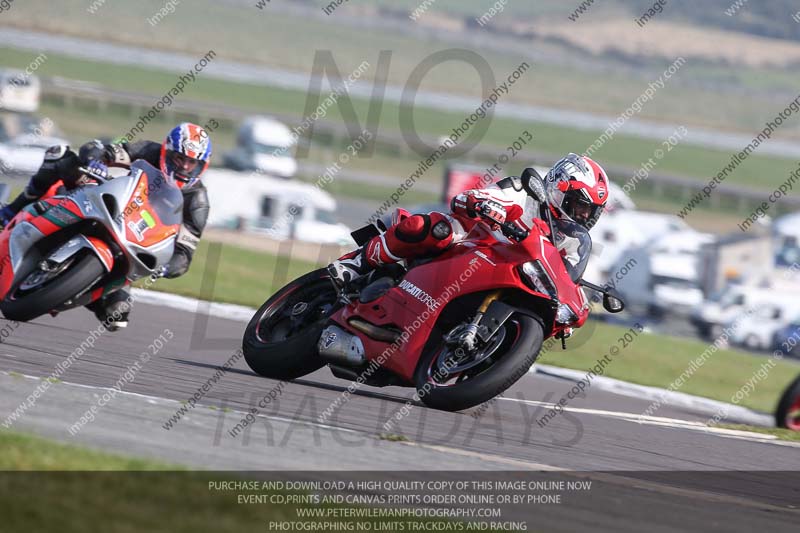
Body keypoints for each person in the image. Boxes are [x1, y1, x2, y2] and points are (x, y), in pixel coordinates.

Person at [0, 122, 212, 330]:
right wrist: (99, 161)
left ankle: (81, 291)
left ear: (203, 166)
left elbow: (184, 254)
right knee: (60, 157)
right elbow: (105, 151)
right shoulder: (149, 151)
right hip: (108, 202)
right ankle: (11, 211)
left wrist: (166, 267)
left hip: (134, 241)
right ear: (167, 151)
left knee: (117, 313)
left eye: (192, 163)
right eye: (180, 158)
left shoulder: (197, 201)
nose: (184, 167)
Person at [329, 153, 609, 286]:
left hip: (506, 277)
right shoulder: (523, 193)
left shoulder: (571, 242)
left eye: (590, 213)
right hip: (469, 247)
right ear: (560, 187)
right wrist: (484, 205)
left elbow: (568, 278)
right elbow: (466, 199)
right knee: (436, 229)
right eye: (580, 207)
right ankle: (357, 263)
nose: (582, 216)